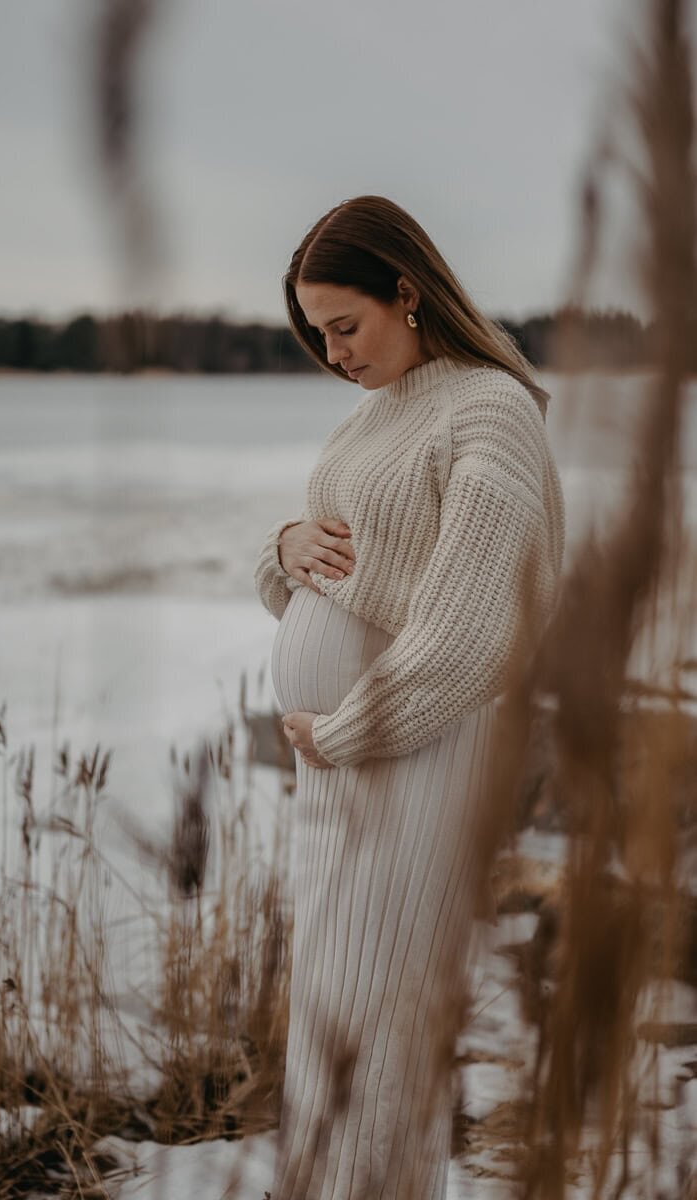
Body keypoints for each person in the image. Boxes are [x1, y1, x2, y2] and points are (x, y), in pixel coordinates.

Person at [253, 195, 565, 1199]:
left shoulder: (489, 409)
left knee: (384, 1009)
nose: (333, 353)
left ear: (407, 289)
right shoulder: (372, 415)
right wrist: (282, 547)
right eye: (315, 335)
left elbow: (476, 628)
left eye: (344, 326)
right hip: (347, 760)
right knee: (332, 1008)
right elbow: (329, 565)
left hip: (411, 751)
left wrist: (347, 731)